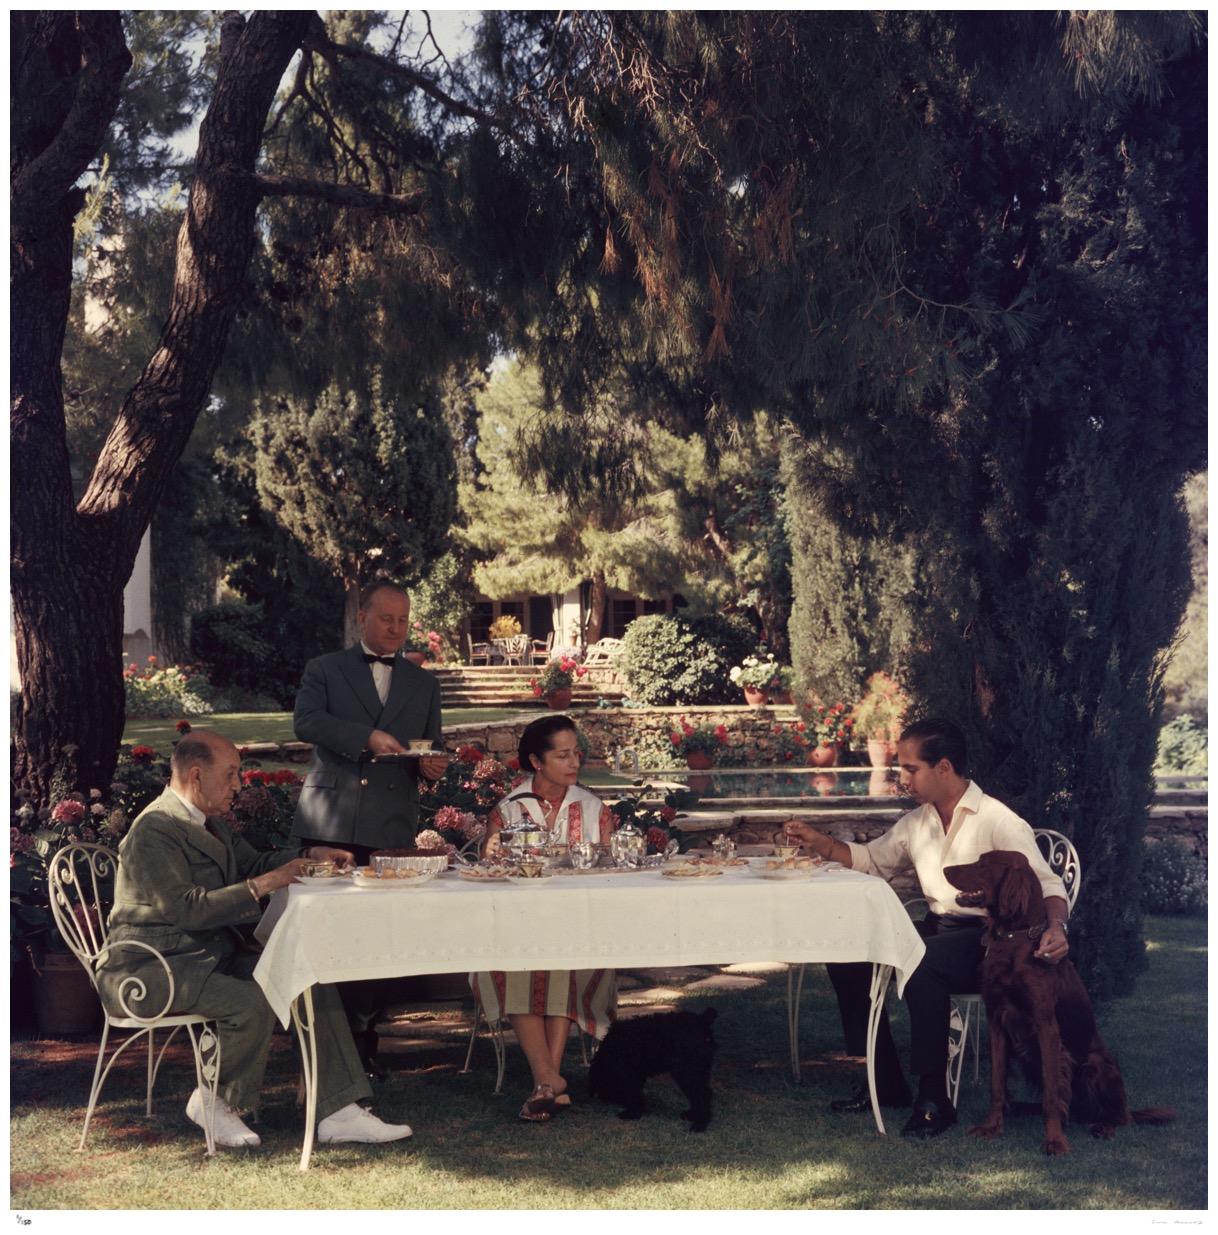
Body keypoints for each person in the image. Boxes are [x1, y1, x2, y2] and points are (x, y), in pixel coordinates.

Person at [97, 731, 412, 1150]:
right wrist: (268, 882)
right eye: (230, 775)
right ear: (195, 775)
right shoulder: (154, 830)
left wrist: (311, 854)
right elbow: (188, 909)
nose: (238, 785)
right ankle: (212, 1102)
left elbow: (253, 863)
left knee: (305, 977)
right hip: (149, 969)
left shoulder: (210, 823)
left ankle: (338, 1111)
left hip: (205, 959)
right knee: (255, 998)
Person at [782, 717, 1070, 1140]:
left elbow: (1047, 883)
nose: (902, 779)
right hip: (938, 930)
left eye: (910, 769)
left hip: (988, 942)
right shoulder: (919, 822)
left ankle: (935, 1099)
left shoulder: (998, 820)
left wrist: (1057, 926)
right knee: (848, 956)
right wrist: (820, 841)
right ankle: (886, 1084)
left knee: (921, 963)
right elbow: (871, 860)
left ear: (944, 768)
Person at [290, 580, 449, 1076]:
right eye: (386, 619)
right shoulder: (325, 669)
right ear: (362, 617)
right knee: (329, 934)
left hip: (390, 822)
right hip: (330, 822)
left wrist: (431, 767)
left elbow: (431, 744)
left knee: (382, 937)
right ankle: (326, 1044)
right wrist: (366, 738)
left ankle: (365, 1036)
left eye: (403, 620)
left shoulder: (424, 682)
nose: (396, 629)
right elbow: (306, 722)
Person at [474, 714, 618, 1122]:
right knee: (518, 963)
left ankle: (545, 1083)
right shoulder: (508, 810)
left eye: (576, 754)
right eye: (562, 755)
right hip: (518, 928)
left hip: (582, 928)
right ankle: (550, 1080)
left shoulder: (593, 808)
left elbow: (611, 871)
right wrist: (492, 852)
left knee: (562, 962)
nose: (574, 763)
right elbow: (490, 863)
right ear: (537, 762)